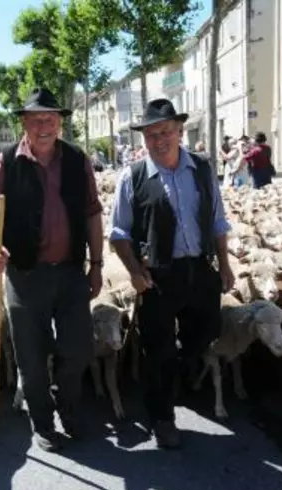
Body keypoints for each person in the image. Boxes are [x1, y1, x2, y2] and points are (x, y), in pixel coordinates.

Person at [0, 87, 103, 452]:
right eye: (36, 119)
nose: (44, 125)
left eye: (51, 118)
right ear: (25, 123)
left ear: (60, 121)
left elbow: (92, 211)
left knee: (77, 349)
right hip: (26, 274)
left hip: (70, 272)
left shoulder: (78, 160)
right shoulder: (6, 163)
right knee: (31, 355)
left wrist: (96, 264)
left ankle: (69, 408)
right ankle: (43, 422)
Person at [109, 98, 233, 449]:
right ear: (143, 139)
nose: (158, 139)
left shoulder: (202, 169)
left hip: (199, 268)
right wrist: (134, 272)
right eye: (150, 134)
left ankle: (173, 373)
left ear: (179, 131)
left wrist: (224, 263)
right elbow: (118, 233)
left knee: (209, 329)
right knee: (157, 349)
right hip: (158, 276)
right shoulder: (133, 177)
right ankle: (163, 417)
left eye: (164, 131)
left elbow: (217, 219)